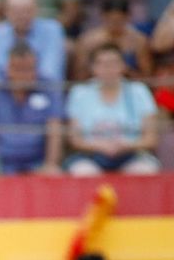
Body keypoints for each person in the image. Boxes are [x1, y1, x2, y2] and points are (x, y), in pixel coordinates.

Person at [0, 43, 63, 174]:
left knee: (55, 174)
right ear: (8, 69)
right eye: (18, 69)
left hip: (36, 162)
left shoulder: (48, 88)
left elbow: (55, 129)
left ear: (36, 69)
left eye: (28, 69)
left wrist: (50, 163)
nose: (23, 75)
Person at [63, 43, 159, 174]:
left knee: (144, 170)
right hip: (91, 155)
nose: (108, 68)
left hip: (131, 154)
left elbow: (150, 138)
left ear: (123, 66)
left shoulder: (139, 91)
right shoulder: (80, 93)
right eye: (102, 64)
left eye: (113, 63)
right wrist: (100, 146)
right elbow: (75, 140)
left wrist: (126, 145)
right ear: (92, 68)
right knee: (83, 171)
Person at [0, 0, 68, 85]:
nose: (22, 16)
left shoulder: (53, 31)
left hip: (41, 93)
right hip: (2, 95)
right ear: (6, 11)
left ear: (36, 10)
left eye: (27, 10)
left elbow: (51, 74)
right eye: (16, 11)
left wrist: (16, 77)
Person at [73, 0, 153, 80]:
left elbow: (147, 77)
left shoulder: (138, 41)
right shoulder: (87, 41)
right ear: (103, 16)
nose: (114, 24)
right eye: (110, 20)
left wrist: (125, 70)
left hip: (129, 87)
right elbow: (78, 76)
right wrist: (101, 70)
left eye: (119, 20)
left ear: (128, 17)